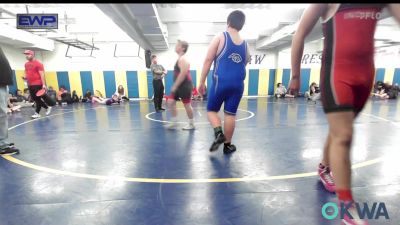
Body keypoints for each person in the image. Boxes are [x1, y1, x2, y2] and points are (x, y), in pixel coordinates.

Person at [288, 4, 400, 225]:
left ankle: (323, 167)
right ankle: (348, 211)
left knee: (340, 130)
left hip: (366, 76)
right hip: (337, 75)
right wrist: (295, 74)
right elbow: (299, 33)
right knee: (344, 135)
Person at [198, 10, 249, 153]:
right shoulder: (246, 44)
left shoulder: (221, 37)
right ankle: (228, 146)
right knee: (230, 114)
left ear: (228, 22)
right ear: (242, 25)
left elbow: (208, 60)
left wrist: (201, 82)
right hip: (238, 83)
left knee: (211, 110)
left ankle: (219, 133)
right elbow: (245, 62)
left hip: (221, 81)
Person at [165, 40, 195, 130]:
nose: (175, 46)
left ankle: (191, 124)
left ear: (182, 48)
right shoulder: (180, 59)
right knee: (170, 102)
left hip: (184, 85)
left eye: (177, 45)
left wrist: (175, 86)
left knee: (187, 105)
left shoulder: (183, 59)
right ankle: (174, 121)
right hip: (179, 85)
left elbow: (183, 74)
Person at [23, 50, 55, 118]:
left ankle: (38, 112)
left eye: (28, 54)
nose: (26, 56)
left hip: (37, 83)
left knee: (37, 98)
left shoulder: (38, 64)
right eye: (25, 54)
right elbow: (26, 72)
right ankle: (45, 109)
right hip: (30, 84)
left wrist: (43, 84)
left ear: (32, 54)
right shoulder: (26, 64)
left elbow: (42, 74)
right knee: (35, 99)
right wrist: (25, 79)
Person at [0, 47, 19, 155]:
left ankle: (2, 142)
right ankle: (2, 145)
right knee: (1, 115)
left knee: (2, 115)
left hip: (3, 82)